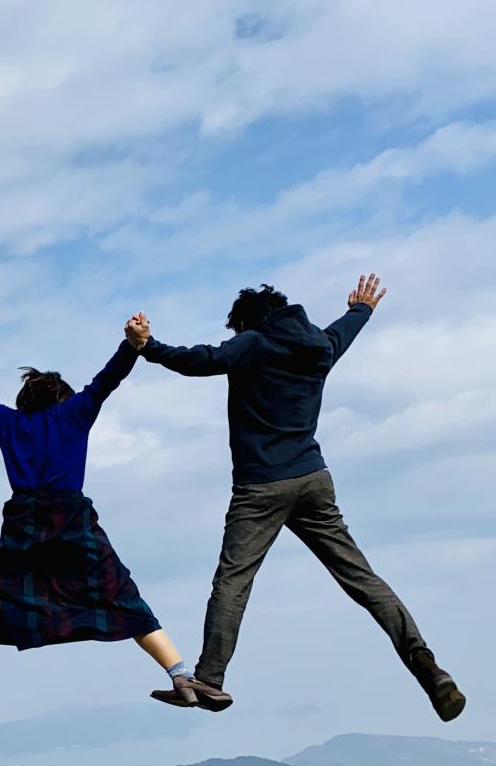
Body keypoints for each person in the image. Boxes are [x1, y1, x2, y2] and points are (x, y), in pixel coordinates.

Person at [126, 274, 464, 721]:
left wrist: (145, 345)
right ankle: (425, 663)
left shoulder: (252, 345)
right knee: (362, 578)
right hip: (312, 480)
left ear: (247, 322)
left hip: (259, 488)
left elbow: (199, 360)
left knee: (233, 582)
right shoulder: (319, 346)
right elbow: (346, 329)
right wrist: (361, 309)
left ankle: (210, 678)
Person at [0, 332, 189, 713]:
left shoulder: (8, 424)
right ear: (64, 397)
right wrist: (132, 344)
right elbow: (109, 377)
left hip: (24, 525)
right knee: (123, 595)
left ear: (24, 401)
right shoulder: (76, 413)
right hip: (72, 519)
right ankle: (179, 675)